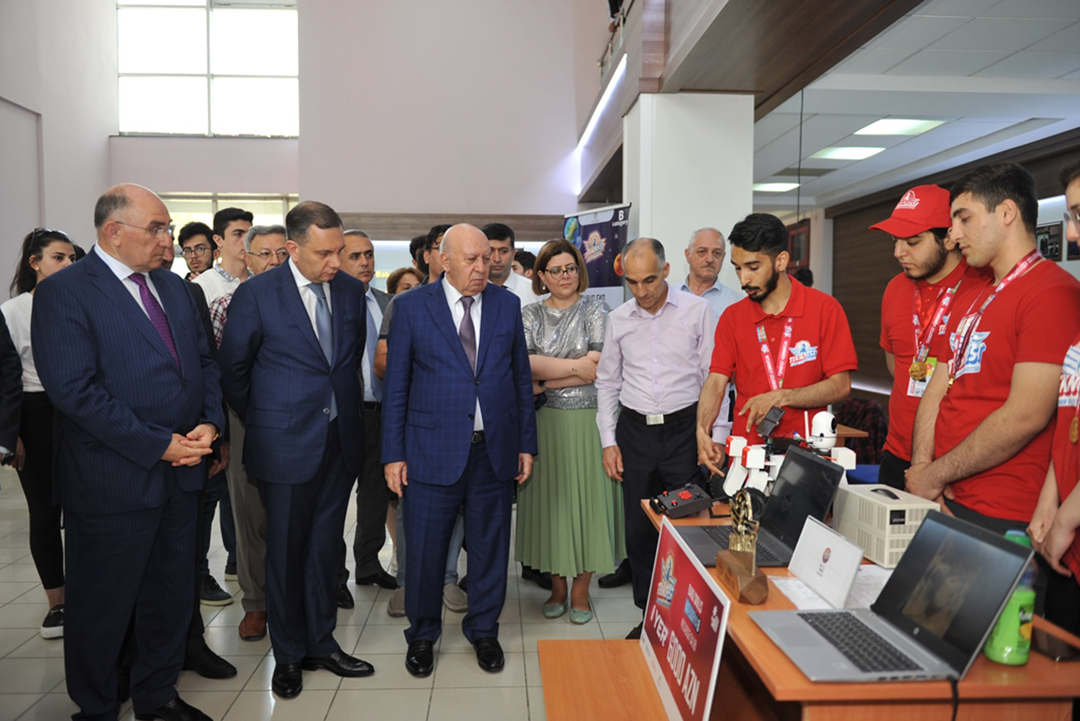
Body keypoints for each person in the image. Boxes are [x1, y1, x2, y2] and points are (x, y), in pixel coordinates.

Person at [32, 183, 223, 721]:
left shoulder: (177, 290)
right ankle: (95, 707)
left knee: (169, 597)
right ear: (114, 232)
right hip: (113, 478)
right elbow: (74, 390)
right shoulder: (66, 291)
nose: (168, 239)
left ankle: (157, 696)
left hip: (184, 471)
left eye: (167, 228)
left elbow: (205, 365)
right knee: (102, 605)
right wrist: (158, 444)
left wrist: (209, 425)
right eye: (158, 228)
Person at [218, 201, 374, 699]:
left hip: (339, 440)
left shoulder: (350, 291)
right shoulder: (258, 294)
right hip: (283, 442)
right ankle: (287, 655)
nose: (335, 262)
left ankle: (321, 643)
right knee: (285, 551)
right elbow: (234, 374)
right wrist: (269, 420)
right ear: (292, 248)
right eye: (324, 253)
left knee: (325, 549)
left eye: (340, 252)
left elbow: (345, 366)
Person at [382, 223, 537, 678]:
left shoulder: (507, 305)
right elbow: (397, 388)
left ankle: (484, 630)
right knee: (427, 552)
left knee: (490, 549)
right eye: (470, 259)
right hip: (430, 451)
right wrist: (394, 453)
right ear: (442, 260)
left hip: (493, 451)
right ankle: (423, 635)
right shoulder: (411, 308)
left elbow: (520, 380)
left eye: (486, 258)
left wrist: (526, 443)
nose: (480, 268)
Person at [595, 238, 727, 638]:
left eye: (649, 280)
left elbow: (714, 378)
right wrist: (608, 441)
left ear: (667, 270)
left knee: (689, 526)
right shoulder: (618, 318)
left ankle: (691, 616)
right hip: (634, 432)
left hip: (685, 430)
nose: (642, 291)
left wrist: (714, 434)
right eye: (633, 282)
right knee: (638, 529)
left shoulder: (697, 311)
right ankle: (649, 616)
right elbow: (607, 382)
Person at [516, 240, 624, 624]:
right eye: (556, 270)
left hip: (589, 424)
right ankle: (557, 588)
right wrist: (573, 369)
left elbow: (598, 367)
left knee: (587, 505)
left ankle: (580, 591)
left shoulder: (596, 308)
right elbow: (524, 368)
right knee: (553, 507)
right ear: (541, 276)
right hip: (545, 424)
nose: (565, 276)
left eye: (571, 268)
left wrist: (546, 377)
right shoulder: (529, 314)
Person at [698, 213, 857, 473]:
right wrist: (702, 430)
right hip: (747, 456)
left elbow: (840, 386)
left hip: (807, 455)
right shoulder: (732, 317)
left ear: (781, 261)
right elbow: (716, 380)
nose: (743, 280)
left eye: (753, 267)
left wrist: (781, 397)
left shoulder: (824, 309)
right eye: (737, 268)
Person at [375, 227, 471, 618]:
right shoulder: (407, 305)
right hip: (422, 431)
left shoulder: (484, 303)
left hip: (467, 431)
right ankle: (408, 584)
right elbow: (389, 371)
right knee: (417, 514)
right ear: (435, 256)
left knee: (459, 514)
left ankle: (448, 578)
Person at [871, 185, 990, 489]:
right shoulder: (895, 288)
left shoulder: (983, 288)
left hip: (956, 463)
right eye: (895, 241)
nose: (899, 252)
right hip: (897, 454)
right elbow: (895, 364)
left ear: (949, 237)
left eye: (912, 241)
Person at [2, 228, 76, 638]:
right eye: (58, 258)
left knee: (84, 508)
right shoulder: (12, 311)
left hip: (80, 410)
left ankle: (88, 594)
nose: (67, 266)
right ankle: (57, 603)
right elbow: (4, 379)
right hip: (34, 413)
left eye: (71, 259)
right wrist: (9, 434)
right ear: (35, 263)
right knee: (44, 512)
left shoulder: (83, 303)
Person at [1030, 160, 1080, 637]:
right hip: (1067, 544)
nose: (1071, 232)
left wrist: (1066, 517)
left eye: (1079, 215)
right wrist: (1050, 501)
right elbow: (1071, 419)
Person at [338, 230, 396, 594]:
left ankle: (368, 564)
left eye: (369, 255)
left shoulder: (390, 302)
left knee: (375, 493)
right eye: (355, 257)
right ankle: (333, 578)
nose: (365, 263)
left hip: (383, 410)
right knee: (336, 496)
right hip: (344, 412)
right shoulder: (332, 301)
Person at [678, 227, 742, 326]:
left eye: (716, 253)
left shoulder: (737, 303)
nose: (709, 259)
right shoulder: (668, 296)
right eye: (702, 252)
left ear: (723, 257)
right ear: (687, 255)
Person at [481, 222, 543, 305]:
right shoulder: (472, 291)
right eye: (490, 251)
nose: (497, 259)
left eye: (503, 251)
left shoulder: (535, 292)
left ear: (513, 253)